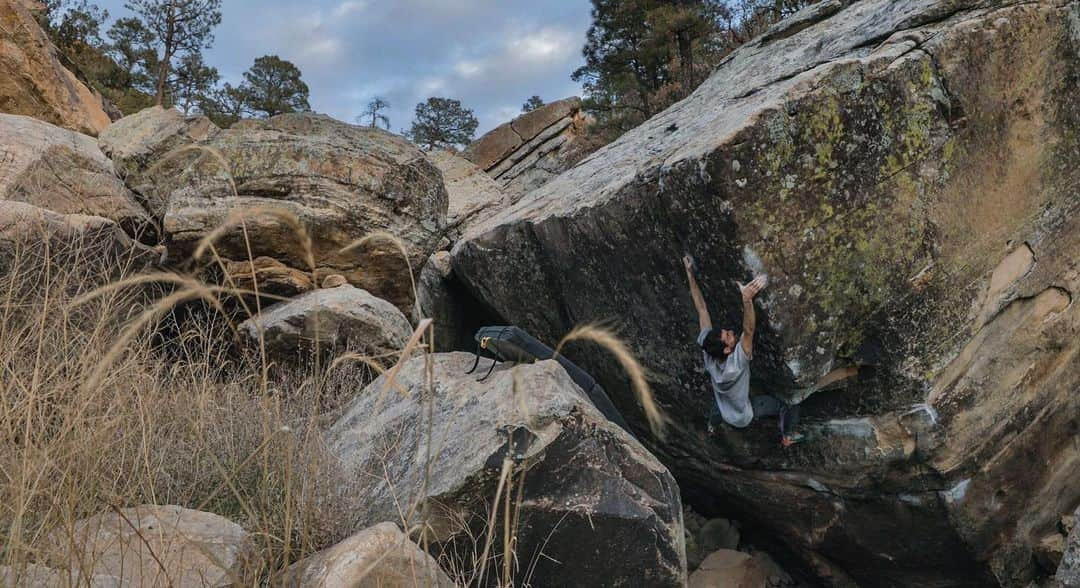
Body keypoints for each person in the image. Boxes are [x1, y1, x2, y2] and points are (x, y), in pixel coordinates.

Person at [682, 255, 803, 447]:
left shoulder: (709, 352)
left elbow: (702, 309)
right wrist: (747, 299)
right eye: (729, 337)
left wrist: (689, 274)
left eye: (726, 332)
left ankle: (712, 426)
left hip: (723, 408)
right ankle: (787, 436)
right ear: (729, 350)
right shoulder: (736, 365)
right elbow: (749, 331)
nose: (731, 332)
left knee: (718, 407)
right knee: (790, 403)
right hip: (743, 414)